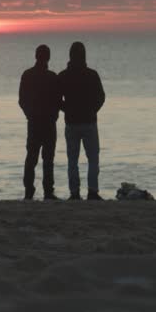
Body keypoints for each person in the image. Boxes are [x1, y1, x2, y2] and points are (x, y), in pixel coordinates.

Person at [57, 41, 105, 200]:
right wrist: (92, 110)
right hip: (89, 121)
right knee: (93, 158)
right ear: (84, 56)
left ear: (70, 55)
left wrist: (67, 109)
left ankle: (74, 193)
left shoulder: (63, 76)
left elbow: (56, 99)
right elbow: (101, 97)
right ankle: (92, 191)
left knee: (72, 160)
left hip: (71, 122)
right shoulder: (92, 74)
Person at [17, 44, 61, 200]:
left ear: (36, 56)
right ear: (48, 57)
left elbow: (22, 100)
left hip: (35, 122)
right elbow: (58, 101)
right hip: (48, 123)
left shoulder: (28, 75)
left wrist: (29, 114)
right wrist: (54, 115)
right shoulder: (52, 77)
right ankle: (48, 192)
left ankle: (29, 191)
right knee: (47, 159)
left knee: (31, 157)